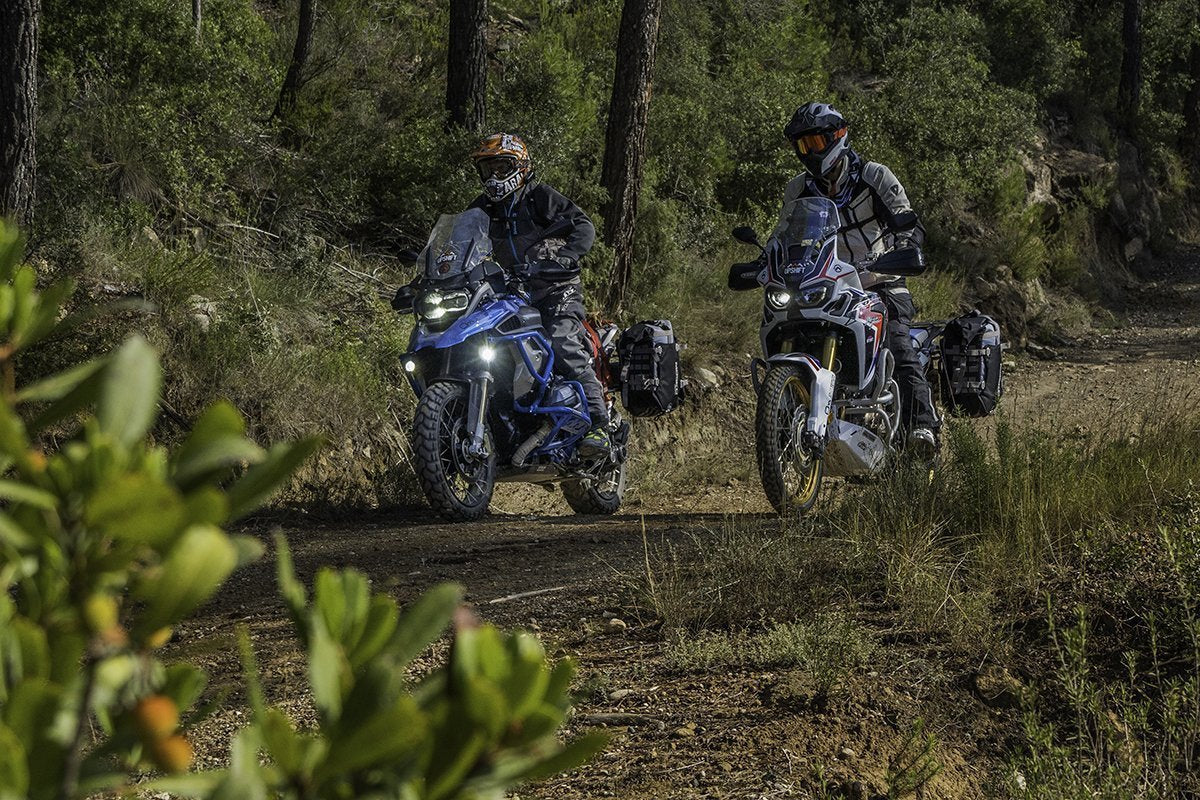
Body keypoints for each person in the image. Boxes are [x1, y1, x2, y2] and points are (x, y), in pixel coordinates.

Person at [775, 101, 940, 454]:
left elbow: (908, 223)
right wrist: (765, 260)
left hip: (879, 279)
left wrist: (905, 250)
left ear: (837, 137)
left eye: (816, 143)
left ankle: (923, 427)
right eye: (803, 145)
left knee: (898, 344)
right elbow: (784, 238)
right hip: (825, 284)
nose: (810, 152)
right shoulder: (798, 190)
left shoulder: (874, 176)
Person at [467, 132, 611, 454]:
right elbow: (459, 241)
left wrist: (567, 255)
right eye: (487, 169)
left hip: (556, 288)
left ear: (520, 166)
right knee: (486, 347)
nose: (493, 176)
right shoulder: (481, 209)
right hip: (512, 295)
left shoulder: (539, 197)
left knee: (562, 342)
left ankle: (600, 427)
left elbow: (583, 224)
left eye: (501, 167)